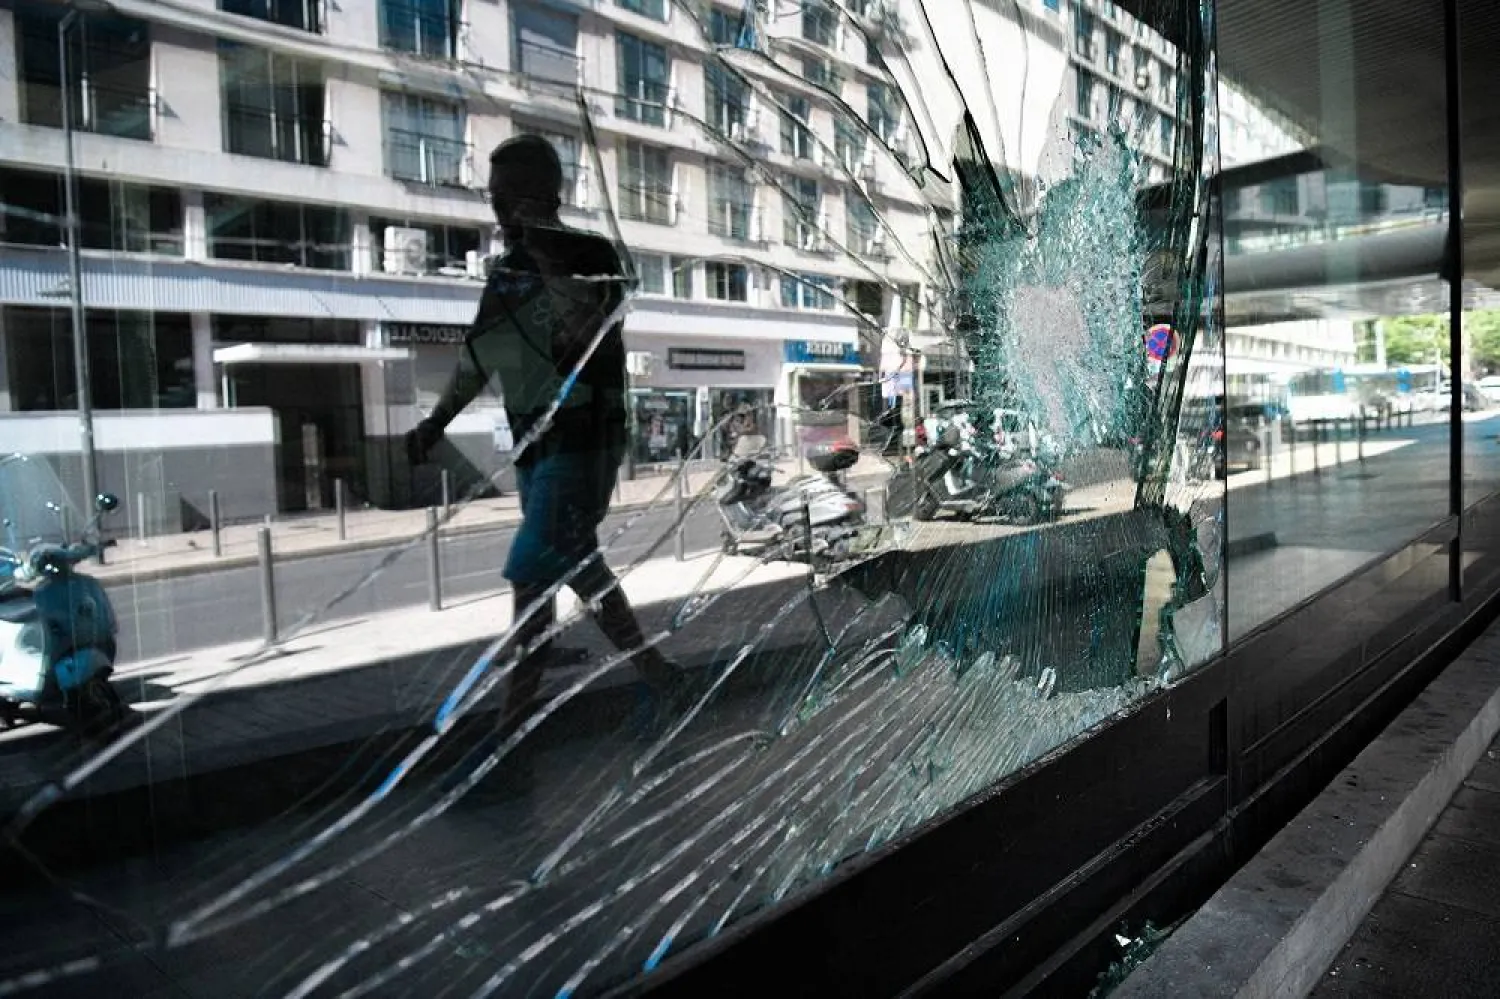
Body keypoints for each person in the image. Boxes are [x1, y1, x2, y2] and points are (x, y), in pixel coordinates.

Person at [407, 134, 680, 739]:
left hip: (583, 442)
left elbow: (589, 323)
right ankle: (660, 674)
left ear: (540, 197)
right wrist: (436, 422)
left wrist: (543, 249)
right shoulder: (505, 273)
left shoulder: (590, 253)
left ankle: (509, 741)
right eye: (495, 200)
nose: (498, 213)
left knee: (532, 578)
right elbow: (481, 358)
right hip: (533, 448)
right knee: (578, 565)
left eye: (506, 201)